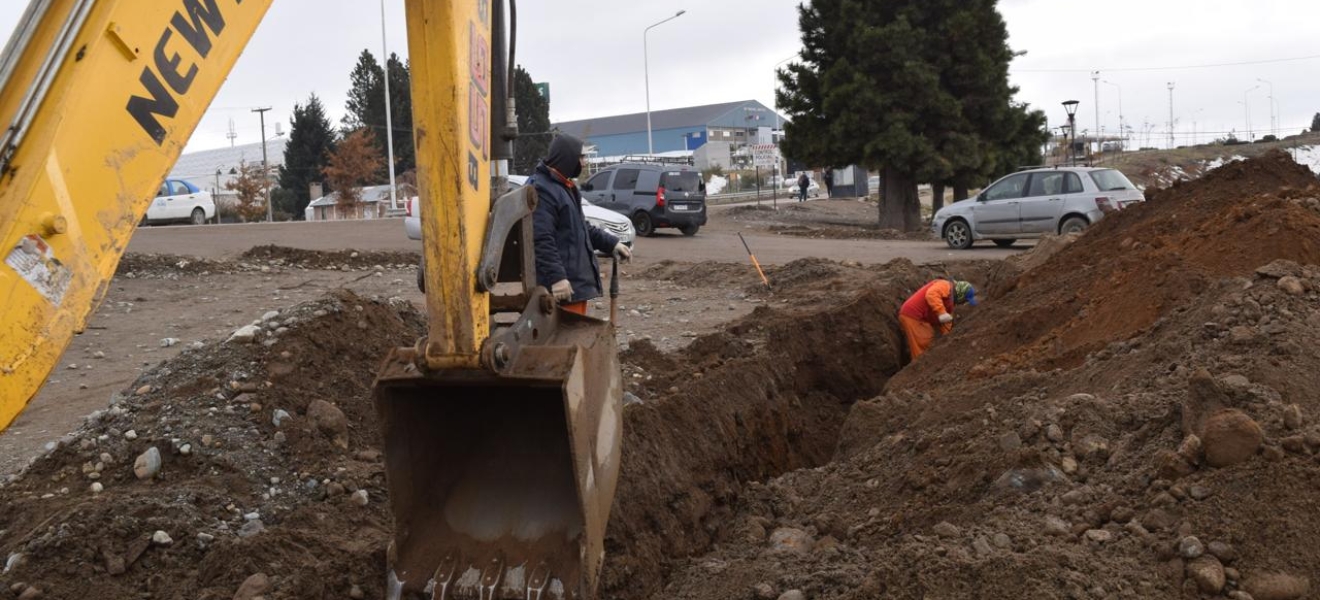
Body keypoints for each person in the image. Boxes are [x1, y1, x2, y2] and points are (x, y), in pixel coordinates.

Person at [530, 134, 632, 315]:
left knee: (573, 334)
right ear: (567, 157)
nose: (584, 163)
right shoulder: (543, 190)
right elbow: (540, 238)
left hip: (573, 285)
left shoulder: (565, 187)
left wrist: (612, 243)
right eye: (581, 157)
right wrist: (557, 278)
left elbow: (580, 226)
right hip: (561, 289)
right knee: (562, 339)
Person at [898, 279, 977, 361]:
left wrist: (947, 337)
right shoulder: (945, 286)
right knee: (923, 344)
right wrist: (941, 312)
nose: (963, 303)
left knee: (927, 340)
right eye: (965, 300)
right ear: (961, 294)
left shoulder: (950, 303)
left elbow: (946, 321)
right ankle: (921, 368)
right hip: (912, 315)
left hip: (920, 318)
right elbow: (931, 294)